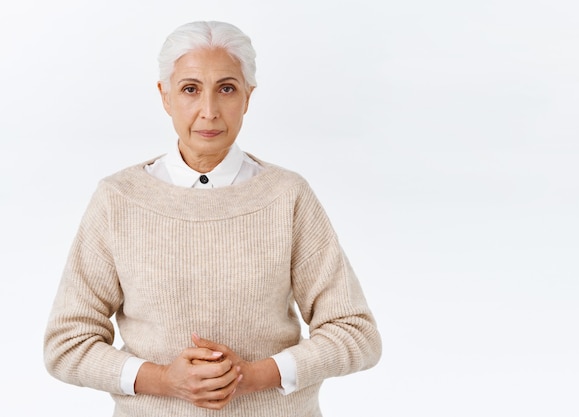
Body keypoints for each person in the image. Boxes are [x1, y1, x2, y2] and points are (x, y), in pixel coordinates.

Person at [43, 20, 382, 417]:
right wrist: (163, 379)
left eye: (226, 89)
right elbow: (67, 344)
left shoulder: (286, 196)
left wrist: (256, 375)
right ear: (165, 96)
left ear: (247, 98)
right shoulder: (119, 199)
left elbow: (356, 333)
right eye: (190, 89)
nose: (209, 111)